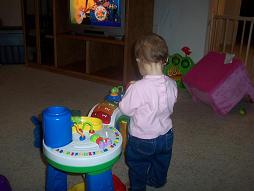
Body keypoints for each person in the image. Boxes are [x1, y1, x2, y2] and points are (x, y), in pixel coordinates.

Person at [119, 33, 178, 191]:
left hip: (142, 139)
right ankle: (157, 181)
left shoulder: (137, 88)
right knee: (161, 161)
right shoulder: (172, 84)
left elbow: (125, 109)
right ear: (165, 60)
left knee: (137, 165)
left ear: (140, 62)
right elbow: (170, 103)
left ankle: (137, 187)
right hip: (166, 135)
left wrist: (130, 90)